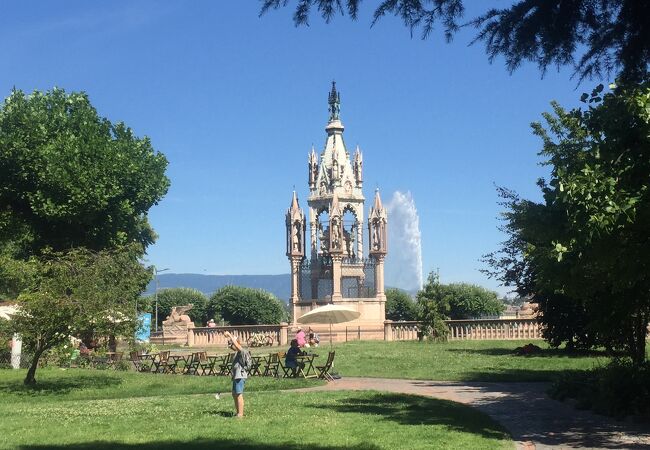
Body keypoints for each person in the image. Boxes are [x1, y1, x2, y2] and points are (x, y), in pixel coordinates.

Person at [223, 331, 247, 417]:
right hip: (236, 376)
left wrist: (229, 335)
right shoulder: (236, 352)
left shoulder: (241, 350)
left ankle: (240, 414)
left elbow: (237, 345)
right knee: (234, 393)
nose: (230, 345)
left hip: (240, 376)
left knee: (238, 394)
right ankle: (238, 412)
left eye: (231, 344)